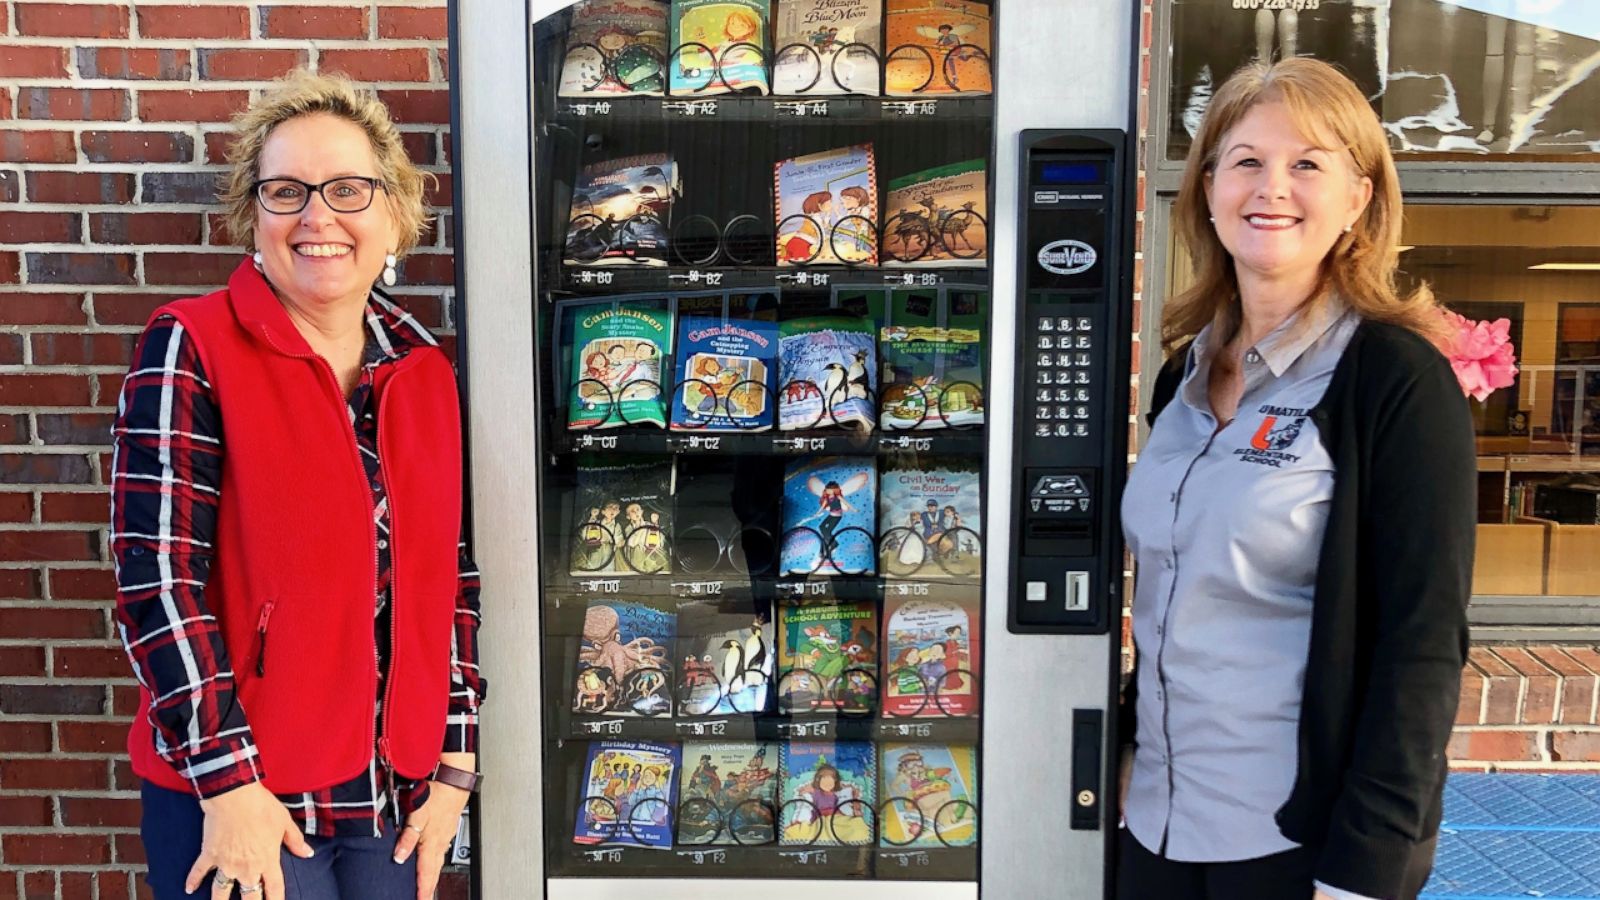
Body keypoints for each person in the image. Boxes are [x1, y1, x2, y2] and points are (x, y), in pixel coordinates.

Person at [110, 70, 485, 900]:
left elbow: (446, 580)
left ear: (394, 213)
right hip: (246, 793)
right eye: (286, 191)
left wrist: (455, 764)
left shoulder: (421, 370)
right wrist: (226, 779)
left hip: (397, 792)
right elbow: (156, 581)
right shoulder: (191, 346)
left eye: (348, 189)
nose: (318, 217)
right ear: (254, 218)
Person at [1117, 58, 1474, 900]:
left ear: (1358, 198)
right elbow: (1174, 594)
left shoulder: (1395, 381)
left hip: (1295, 843)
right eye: (1245, 161)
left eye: (1308, 163)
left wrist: (1367, 868)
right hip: (1156, 822)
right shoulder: (1183, 376)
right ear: (1207, 189)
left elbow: (1421, 643)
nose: (1271, 187)